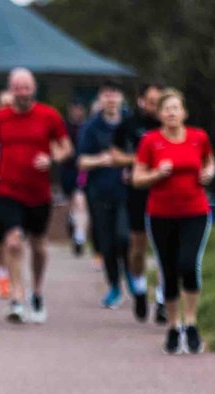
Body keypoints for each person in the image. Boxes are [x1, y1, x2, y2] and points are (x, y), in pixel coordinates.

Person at [0, 68, 73, 324]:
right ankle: (16, 297)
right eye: (17, 87)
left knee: (38, 245)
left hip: (38, 191)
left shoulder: (49, 115)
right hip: (8, 189)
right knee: (12, 241)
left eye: (26, 87)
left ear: (33, 89)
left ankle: (36, 291)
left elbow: (66, 147)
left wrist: (52, 158)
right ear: (11, 90)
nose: (22, 92)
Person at [132, 88, 215, 355]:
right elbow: (137, 178)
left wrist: (208, 173)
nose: (171, 113)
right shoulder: (150, 141)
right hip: (160, 214)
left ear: (184, 113)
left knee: (188, 264)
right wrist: (157, 174)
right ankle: (172, 325)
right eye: (166, 109)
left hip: (195, 211)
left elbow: (209, 162)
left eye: (175, 108)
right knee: (168, 270)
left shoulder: (198, 137)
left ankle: (190, 323)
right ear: (159, 115)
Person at [112, 82, 165, 323]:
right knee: (137, 248)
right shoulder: (129, 124)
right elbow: (114, 154)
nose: (156, 108)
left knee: (167, 249)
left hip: (166, 191)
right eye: (152, 102)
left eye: (159, 103)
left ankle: (165, 298)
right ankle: (140, 289)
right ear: (141, 100)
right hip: (138, 191)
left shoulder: (169, 124)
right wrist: (139, 159)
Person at [78, 79, 132, 309]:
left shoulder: (131, 122)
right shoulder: (91, 127)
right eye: (106, 94)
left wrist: (129, 164)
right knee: (107, 243)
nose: (110, 98)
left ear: (121, 97)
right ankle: (114, 287)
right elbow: (81, 160)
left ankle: (132, 273)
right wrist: (102, 159)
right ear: (100, 98)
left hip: (128, 191)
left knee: (124, 237)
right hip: (99, 191)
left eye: (114, 93)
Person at [62, 101, 88, 256]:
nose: (77, 112)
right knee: (71, 202)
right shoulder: (64, 127)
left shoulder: (87, 127)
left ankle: (80, 236)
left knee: (80, 200)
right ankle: (73, 221)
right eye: (75, 108)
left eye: (80, 108)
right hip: (68, 169)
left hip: (82, 169)